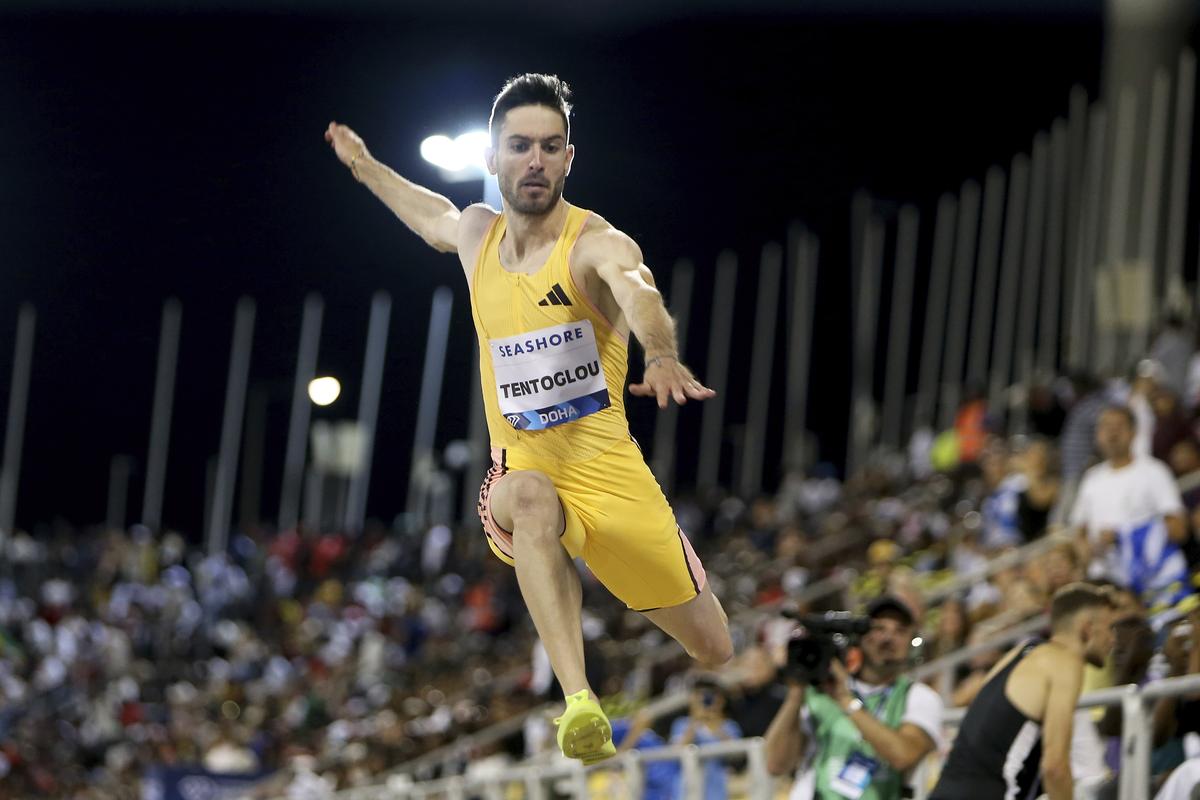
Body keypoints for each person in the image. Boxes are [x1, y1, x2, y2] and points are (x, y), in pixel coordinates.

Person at [324, 73, 732, 766]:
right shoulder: (480, 238)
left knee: (715, 648)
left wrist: (659, 352)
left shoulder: (593, 242)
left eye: (550, 146)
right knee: (534, 499)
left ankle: (622, 633)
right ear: (493, 157)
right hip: (522, 474)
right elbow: (431, 216)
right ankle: (579, 702)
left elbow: (638, 289)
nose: (535, 160)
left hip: (610, 476)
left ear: (570, 158)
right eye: (519, 146)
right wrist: (364, 166)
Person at [930, 583, 1117, 800]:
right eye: (1109, 628)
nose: (1112, 639)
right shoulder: (1065, 663)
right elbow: (1055, 768)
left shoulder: (1019, 654)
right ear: (1086, 628)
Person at [763, 596, 944, 800]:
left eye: (900, 631)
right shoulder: (819, 692)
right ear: (861, 635)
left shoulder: (919, 697)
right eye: (879, 629)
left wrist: (846, 701)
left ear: (912, 642)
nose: (888, 638)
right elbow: (775, 765)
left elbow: (903, 756)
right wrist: (796, 694)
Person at [1069, 405, 1187, 582]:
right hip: (1105, 579)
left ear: (1133, 432)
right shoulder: (1091, 478)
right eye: (1106, 427)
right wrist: (1087, 551)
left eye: (1119, 426)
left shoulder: (1154, 471)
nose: (1112, 433)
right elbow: (1079, 531)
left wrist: (1123, 537)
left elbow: (1178, 529)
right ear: (1098, 434)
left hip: (1151, 577)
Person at [668, 677, 743, 800]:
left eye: (710, 695)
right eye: (699, 696)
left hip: (718, 791)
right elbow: (675, 753)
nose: (705, 700)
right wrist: (696, 721)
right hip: (686, 791)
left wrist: (715, 725)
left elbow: (737, 756)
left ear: (721, 700)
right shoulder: (681, 724)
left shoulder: (730, 726)